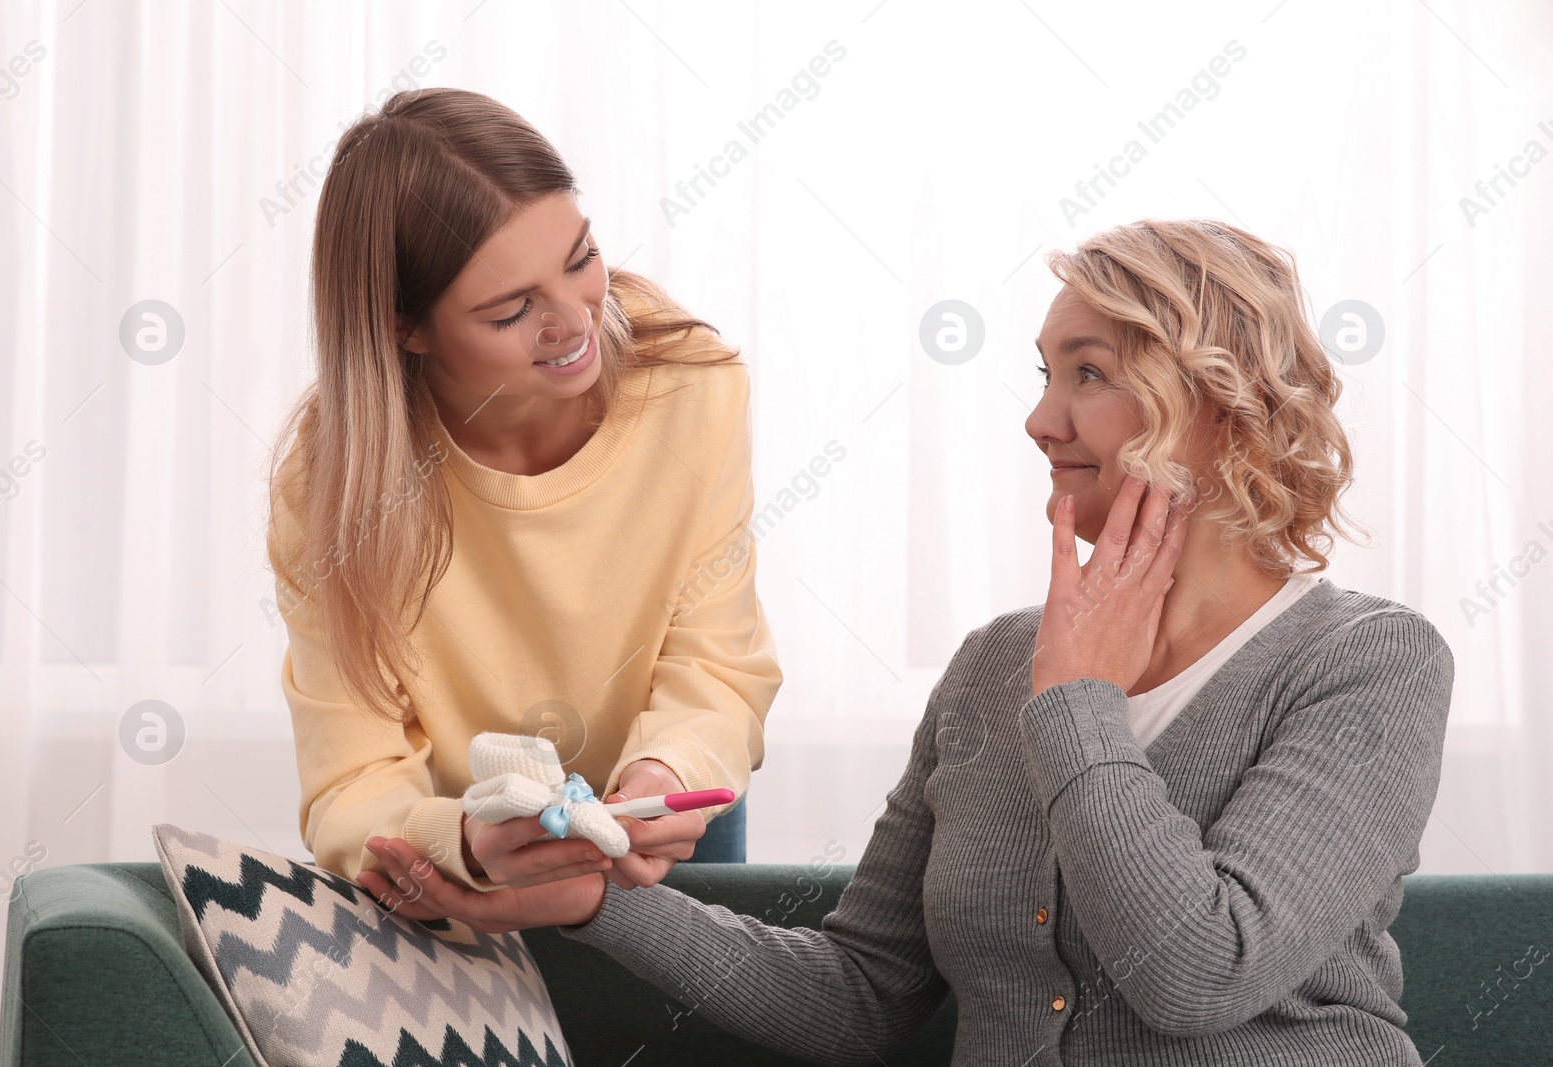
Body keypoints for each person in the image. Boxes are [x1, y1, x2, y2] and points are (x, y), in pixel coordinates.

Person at [360, 219, 1455, 1067]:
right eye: (1042, 373)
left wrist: (1078, 700)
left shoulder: (1367, 663)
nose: (1040, 420)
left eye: (1089, 372)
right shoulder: (991, 668)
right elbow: (861, 993)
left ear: (1223, 403)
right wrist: (601, 899)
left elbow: (1200, 970)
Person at [266, 87, 779, 899]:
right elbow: (351, 778)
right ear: (408, 328)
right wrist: (465, 844)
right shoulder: (329, 484)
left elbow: (716, 663)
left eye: (580, 258)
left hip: (666, 825)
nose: (574, 321)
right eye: (511, 310)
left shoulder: (691, 390)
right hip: (451, 868)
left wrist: (663, 769)